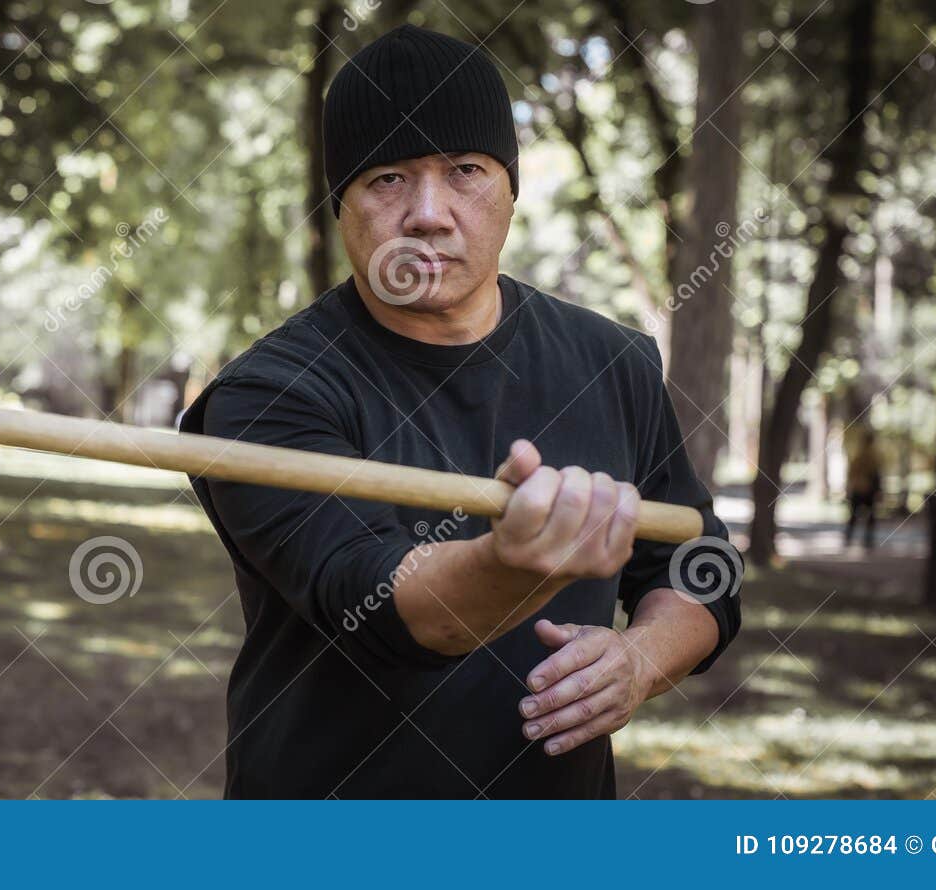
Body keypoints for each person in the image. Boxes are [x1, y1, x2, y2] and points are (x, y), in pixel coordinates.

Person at [180, 24, 741, 798]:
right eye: (387, 179)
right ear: (339, 204)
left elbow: (698, 565)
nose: (430, 213)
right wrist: (517, 561)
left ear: (511, 189)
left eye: (465, 170)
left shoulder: (613, 363)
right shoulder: (267, 396)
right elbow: (385, 612)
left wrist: (641, 658)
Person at [845, 427, 883, 549]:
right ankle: (867, 541)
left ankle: (849, 539)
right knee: (870, 516)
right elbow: (876, 475)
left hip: (857, 489)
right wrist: (878, 490)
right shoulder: (873, 457)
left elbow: (851, 474)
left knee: (854, 516)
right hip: (868, 490)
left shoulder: (858, 456)